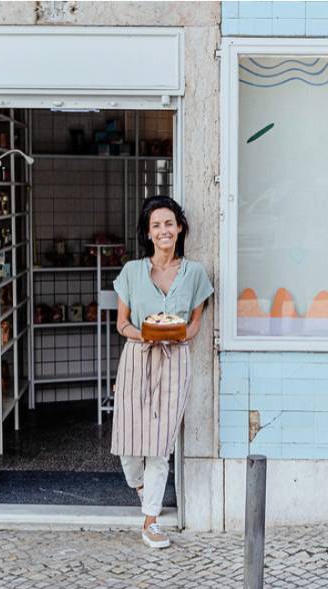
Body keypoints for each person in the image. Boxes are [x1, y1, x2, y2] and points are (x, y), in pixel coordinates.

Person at [111, 196, 213, 548]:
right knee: (127, 442)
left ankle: (151, 520)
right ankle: (140, 485)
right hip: (137, 357)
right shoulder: (131, 272)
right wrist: (147, 335)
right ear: (148, 233)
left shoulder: (195, 273)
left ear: (180, 228)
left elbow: (195, 323)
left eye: (169, 223)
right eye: (156, 225)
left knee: (159, 443)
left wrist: (178, 335)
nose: (163, 230)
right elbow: (122, 324)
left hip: (175, 360)